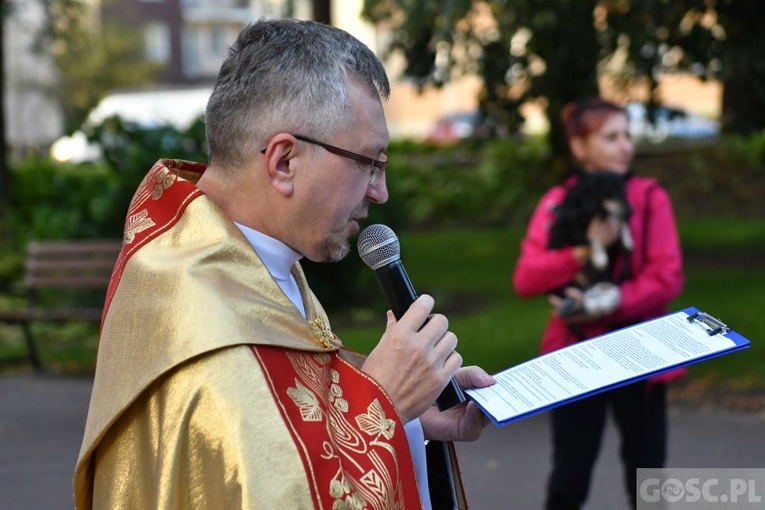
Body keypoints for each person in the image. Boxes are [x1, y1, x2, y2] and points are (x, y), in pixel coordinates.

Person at [73, 19, 495, 510]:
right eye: (370, 164)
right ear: (283, 162)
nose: (380, 192)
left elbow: (284, 414)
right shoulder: (202, 330)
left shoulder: (236, 260)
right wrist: (381, 403)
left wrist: (415, 413)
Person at [512, 98, 684, 510]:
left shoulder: (649, 196)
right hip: (575, 354)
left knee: (647, 478)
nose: (625, 146)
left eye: (627, 135)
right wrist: (586, 253)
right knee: (570, 477)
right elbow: (526, 277)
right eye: (611, 137)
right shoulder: (557, 201)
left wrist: (608, 303)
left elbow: (667, 275)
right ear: (579, 146)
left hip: (641, 349)